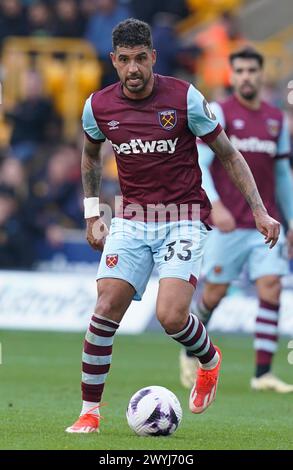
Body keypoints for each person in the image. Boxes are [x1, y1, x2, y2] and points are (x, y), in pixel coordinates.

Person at [66, 20, 280, 434]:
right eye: (124, 60)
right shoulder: (98, 106)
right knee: (106, 306)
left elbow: (229, 155)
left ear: (153, 58)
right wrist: (93, 214)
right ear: (114, 61)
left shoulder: (184, 98)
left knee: (170, 316)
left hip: (182, 216)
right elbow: (90, 156)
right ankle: (89, 412)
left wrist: (258, 211)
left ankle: (209, 358)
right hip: (130, 217)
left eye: (140, 59)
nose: (133, 69)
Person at [179, 47, 293, 393]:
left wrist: (289, 220)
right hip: (227, 224)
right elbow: (200, 160)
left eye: (251, 71)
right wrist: (214, 204)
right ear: (232, 76)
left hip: (263, 224)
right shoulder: (220, 114)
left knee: (270, 287)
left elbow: (283, 173)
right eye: (239, 71)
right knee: (213, 293)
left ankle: (262, 374)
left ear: (261, 75)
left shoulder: (276, 120)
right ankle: (191, 349)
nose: (246, 77)